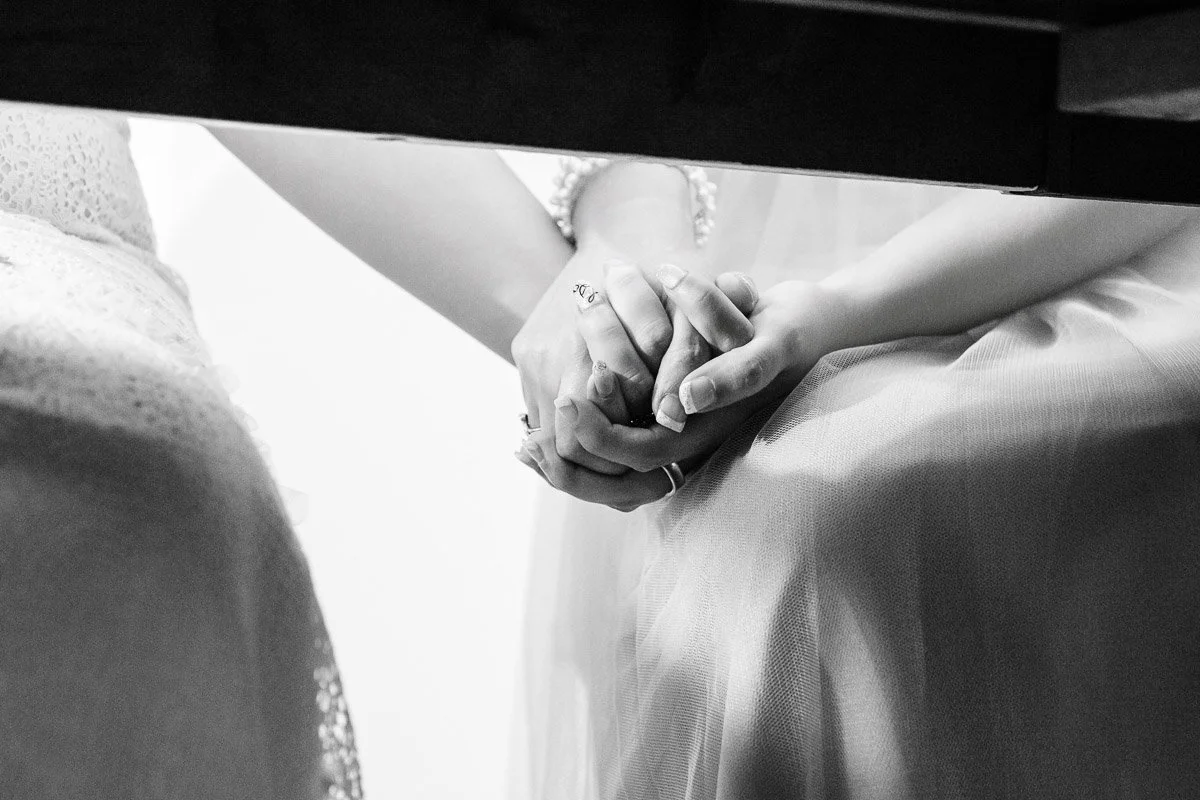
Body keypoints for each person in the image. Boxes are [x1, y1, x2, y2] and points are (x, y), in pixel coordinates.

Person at [509, 161, 1200, 798]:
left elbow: (1161, 100)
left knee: (830, 516)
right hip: (721, 256)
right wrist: (622, 308)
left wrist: (828, 317)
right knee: (736, 542)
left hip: (1102, 218)